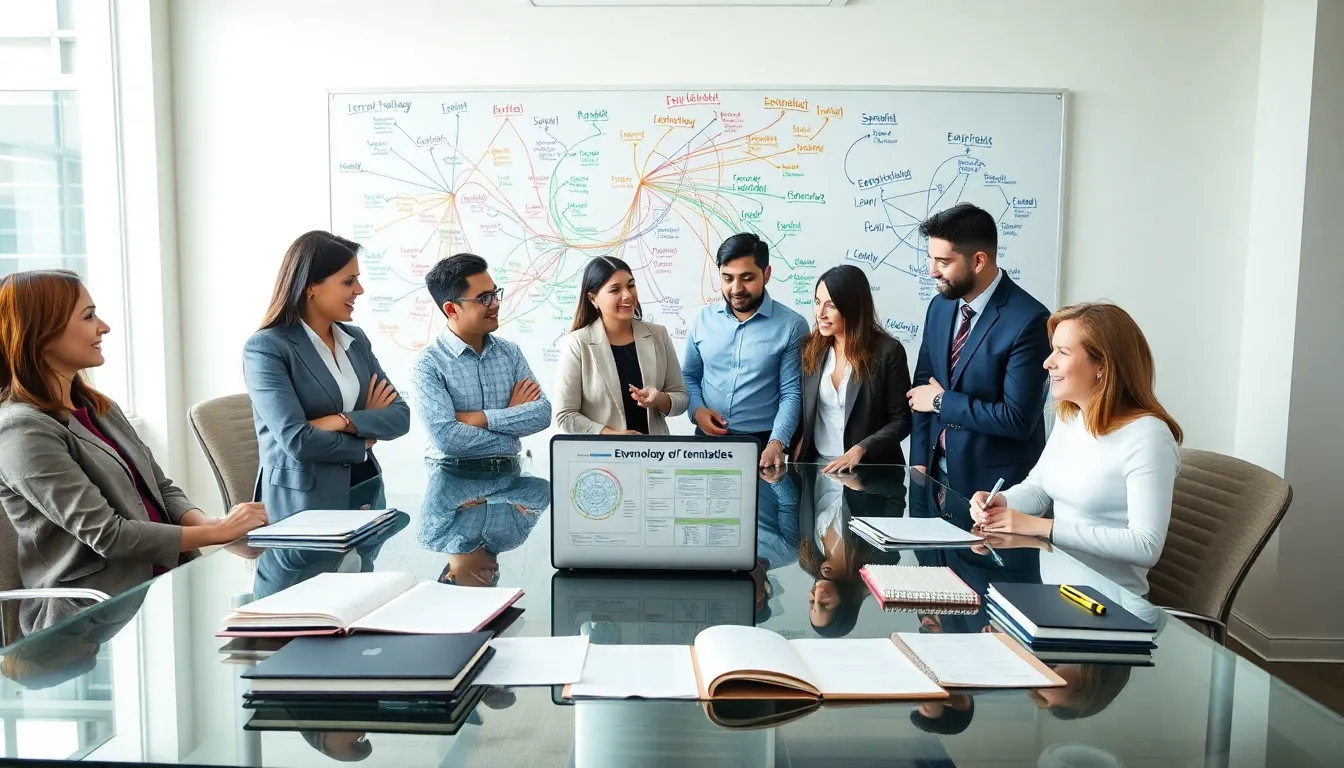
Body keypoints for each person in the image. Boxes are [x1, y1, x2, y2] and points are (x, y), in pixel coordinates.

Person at [0, 270, 268, 633]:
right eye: (88, 316)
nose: (104, 327)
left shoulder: (98, 407)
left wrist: (210, 525)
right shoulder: (20, 430)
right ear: (42, 333)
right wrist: (218, 533)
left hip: (164, 588)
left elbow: (161, 488)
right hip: (89, 617)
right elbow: (109, 535)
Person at [971, 302, 1182, 597]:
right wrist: (1001, 502)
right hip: (1055, 593)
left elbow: (1146, 546)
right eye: (1053, 350)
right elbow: (1038, 489)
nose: (1048, 363)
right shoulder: (1071, 416)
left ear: (1102, 366)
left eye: (1063, 352)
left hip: (1109, 605)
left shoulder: (1148, 436)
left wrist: (1042, 527)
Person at [244, 231, 411, 519]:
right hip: (304, 506)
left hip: (365, 490)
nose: (359, 290)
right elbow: (298, 440)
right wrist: (363, 439)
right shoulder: (267, 348)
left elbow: (400, 417)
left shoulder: (355, 340)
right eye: (348, 281)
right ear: (311, 286)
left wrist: (341, 421)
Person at [908, 203, 1051, 510]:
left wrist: (941, 402)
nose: (932, 271)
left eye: (943, 262)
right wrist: (918, 464)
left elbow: (1017, 419)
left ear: (978, 261)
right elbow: (921, 389)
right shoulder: (939, 307)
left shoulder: (1029, 320)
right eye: (931, 258)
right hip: (933, 481)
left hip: (993, 493)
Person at [683, 233, 809, 467]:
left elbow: (792, 393)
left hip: (762, 445)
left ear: (766, 274)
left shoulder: (792, 326)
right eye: (727, 278)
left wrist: (777, 443)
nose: (736, 288)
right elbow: (689, 375)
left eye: (747, 278)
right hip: (706, 440)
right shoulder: (703, 319)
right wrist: (697, 410)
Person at [412, 253, 551, 461]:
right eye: (484, 298)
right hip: (453, 476)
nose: (495, 304)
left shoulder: (510, 353)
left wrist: (477, 418)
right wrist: (511, 432)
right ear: (451, 309)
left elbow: (542, 414)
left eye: (495, 294)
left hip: (509, 472)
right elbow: (448, 439)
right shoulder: (428, 364)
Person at [792, 265, 912, 472]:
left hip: (870, 471)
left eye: (831, 305)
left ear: (852, 307)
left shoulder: (888, 352)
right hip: (818, 468)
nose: (820, 313)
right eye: (817, 302)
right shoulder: (809, 349)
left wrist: (861, 449)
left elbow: (902, 421)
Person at [555, 256, 688, 435]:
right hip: (604, 451)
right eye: (615, 289)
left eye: (631, 285)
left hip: (655, 450)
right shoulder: (577, 343)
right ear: (593, 299)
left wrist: (660, 399)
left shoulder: (658, 334)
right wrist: (613, 436)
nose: (627, 295)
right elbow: (565, 416)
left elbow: (681, 398)